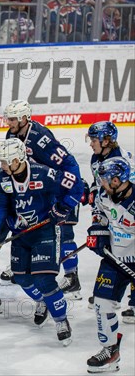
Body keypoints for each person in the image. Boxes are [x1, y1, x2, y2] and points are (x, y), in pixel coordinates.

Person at [0, 138, 82, 346]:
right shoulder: (2, 178)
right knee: (21, 278)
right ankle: (43, 301)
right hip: (21, 235)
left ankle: (61, 320)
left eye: (5, 161)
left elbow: (76, 186)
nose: (2, 166)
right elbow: (0, 207)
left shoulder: (44, 173)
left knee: (44, 280)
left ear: (17, 159)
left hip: (45, 232)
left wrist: (63, 208)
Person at [2, 100, 86, 301]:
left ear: (24, 118)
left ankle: (72, 277)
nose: (9, 123)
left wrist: (72, 189)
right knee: (28, 223)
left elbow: (68, 162)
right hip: (38, 188)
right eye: (8, 119)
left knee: (63, 231)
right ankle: (26, 265)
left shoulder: (40, 138)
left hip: (57, 186)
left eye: (12, 119)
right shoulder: (12, 135)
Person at [85, 157, 134, 373]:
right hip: (114, 259)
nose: (101, 183)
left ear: (116, 180)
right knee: (102, 304)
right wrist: (98, 232)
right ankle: (110, 349)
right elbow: (100, 214)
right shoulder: (104, 194)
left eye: (104, 179)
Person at [86, 121, 135, 324]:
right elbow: (99, 186)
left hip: (126, 212)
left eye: (94, 139)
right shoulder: (96, 158)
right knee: (113, 248)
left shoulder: (122, 161)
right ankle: (112, 291)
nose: (91, 144)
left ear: (107, 140)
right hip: (109, 208)